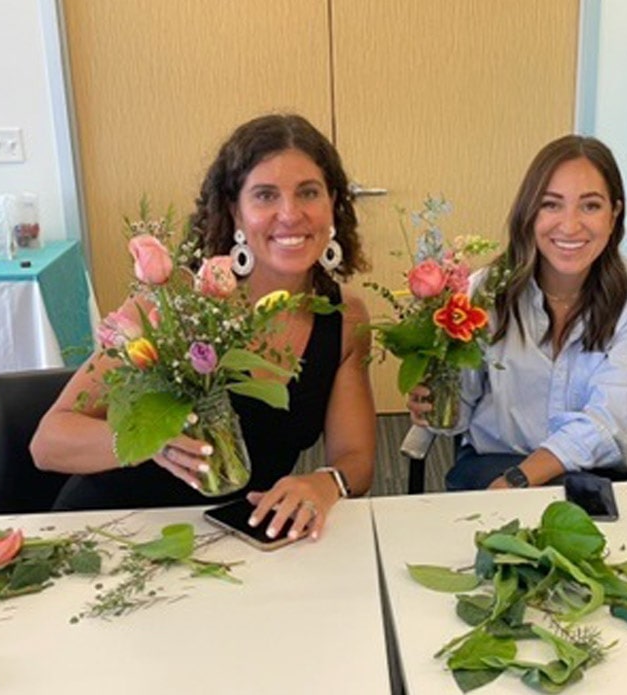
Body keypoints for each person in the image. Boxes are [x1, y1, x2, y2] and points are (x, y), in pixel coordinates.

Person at [31, 113, 376, 538]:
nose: (290, 214)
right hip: (116, 531)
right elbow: (48, 442)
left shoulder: (345, 320)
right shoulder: (171, 307)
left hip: (233, 537)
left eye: (308, 192)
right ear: (235, 212)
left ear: (333, 205)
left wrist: (325, 483)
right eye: (265, 196)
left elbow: (355, 459)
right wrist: (151, 444)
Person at [407, 135, 627, 490]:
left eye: (590, 206)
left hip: (589, 475)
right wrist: (436, 400)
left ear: (614, 215)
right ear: (529, 212)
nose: (570, 225)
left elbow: (608, 422)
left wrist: (520, 479)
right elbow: (460, 416)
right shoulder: (485, 291)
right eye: (551, 205)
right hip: (491, 465)